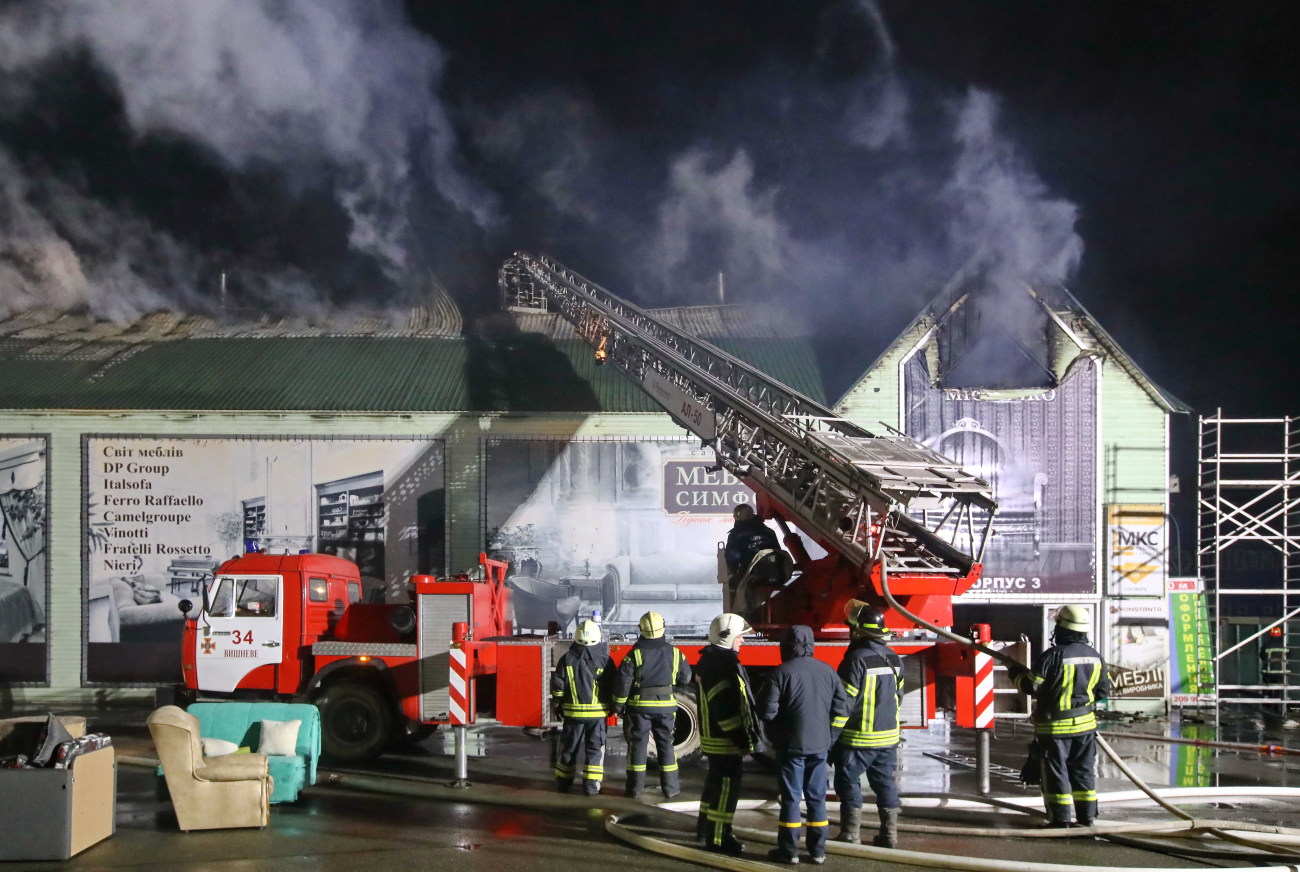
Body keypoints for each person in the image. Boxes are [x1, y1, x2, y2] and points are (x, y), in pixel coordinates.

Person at [756, 625, 849, 865]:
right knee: (817, 798)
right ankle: (818, 851)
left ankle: (789, 851)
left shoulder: (780, 673)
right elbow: (842, 708)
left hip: (791, 747)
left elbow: (767, 712)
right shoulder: (828, 671)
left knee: (791, 799)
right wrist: (830, 736)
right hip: (820, 746)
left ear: (786, 645)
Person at [1011, 604, 1112, 828]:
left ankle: (1060, 820)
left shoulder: (1052, 656)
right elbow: (1102, 693)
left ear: (1061, 629)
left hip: (1055, 730)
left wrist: (1015, 674)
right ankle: (1086, 818)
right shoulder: (1096, 657)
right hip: (1085, 728)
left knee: (1057, 774)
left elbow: (1032, 686)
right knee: (1084, 772)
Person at [832, 600, 903, 848]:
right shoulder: (894, 659)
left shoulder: (855, 660)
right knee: (885, 784)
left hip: (857, 739)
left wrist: (830, 738)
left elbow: (843, 704)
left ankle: (851, 834)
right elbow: (898, 697)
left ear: (858, 631)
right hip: (888, 739)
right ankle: (890, 835)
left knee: (848, 781)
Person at [695, 613, 761, 856]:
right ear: (728, 637)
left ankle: (706, 829)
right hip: (724, 741)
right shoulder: (722, 666)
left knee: (715, 785)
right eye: (740, 637)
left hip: (717, 739)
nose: (743, 641)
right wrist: (741, 739)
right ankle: (718, 838)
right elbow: (725, 710)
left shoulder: (714, 661)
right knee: (725, 790)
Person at [614, 611, 693, 799]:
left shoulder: (634, 654)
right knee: (666, 745)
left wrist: (617, 707)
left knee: (638, 747)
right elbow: (686, 678)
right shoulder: (675, 653)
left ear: (641, 630)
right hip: (666, 709)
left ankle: (634, 789)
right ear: (662, 628)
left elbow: (623, 683)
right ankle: (671, 788)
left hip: (640, 709)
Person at [549, 618, 615, 795]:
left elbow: (558, 686)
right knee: (594, 749)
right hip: (597, 716)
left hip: (572, 714)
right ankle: (591, 786)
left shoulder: (567, 658)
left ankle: (563, 782)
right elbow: (612, 686)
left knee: (569, 748)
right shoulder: (604, 660)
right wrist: (614, 706)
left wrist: (558, 705)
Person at [724, 503, 780, 579]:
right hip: (774, 573)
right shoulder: (769, 531)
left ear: (736, 517)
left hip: (750, 575)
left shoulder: (736, 535)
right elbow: (777, 551)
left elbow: (732, 558)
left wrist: (733, 576)